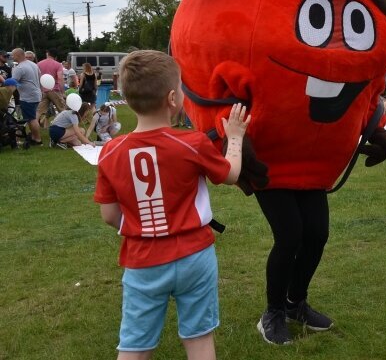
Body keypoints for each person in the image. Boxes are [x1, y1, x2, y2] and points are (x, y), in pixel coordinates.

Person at [94, 50, 250, 360]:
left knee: (135, 346)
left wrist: (144, 227)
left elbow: (109, 215)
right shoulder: (191, 142)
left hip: (142, 259)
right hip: (194, 255)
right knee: (199, 339)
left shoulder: (110, 151)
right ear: (172, 99)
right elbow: (231, 174)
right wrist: (235, 138)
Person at [11, 48, 43, 145]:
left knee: (32, 118)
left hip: (27, 96)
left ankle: (37, 139)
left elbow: (12, 83)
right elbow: (40, 77)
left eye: (13, 55)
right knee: (30, 118)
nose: (12, 57)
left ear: (18, 55)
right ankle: (33, 136)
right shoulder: (33, 65)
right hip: (36, 94)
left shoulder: (19, 68)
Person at [37, 49, 67, 128]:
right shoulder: (58, 64)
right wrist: (63, 92)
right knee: (62, 109)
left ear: (47, 54)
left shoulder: (39, 63)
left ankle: (33, 126)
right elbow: (60, 78)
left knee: (39, 111)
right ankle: (64, 126)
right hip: (55, 90)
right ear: (56, 57)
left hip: (43, 90)